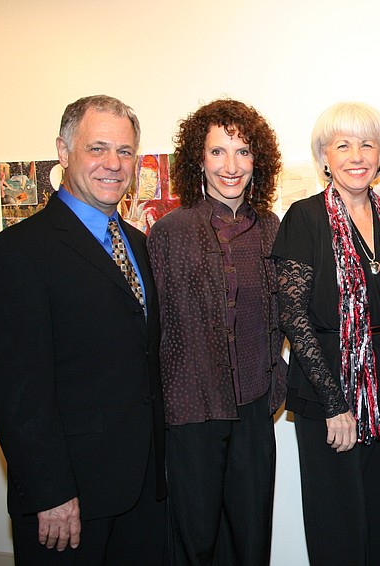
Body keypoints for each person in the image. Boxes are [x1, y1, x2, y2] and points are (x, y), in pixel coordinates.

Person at [0, 95, 166, 564]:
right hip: (69, 502)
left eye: (125, 152)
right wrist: (50, 492)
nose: (113, 164)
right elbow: (14, 389)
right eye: (97, 148)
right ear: (63, 152)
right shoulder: (16, 253)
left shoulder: (141, 245)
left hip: (142, 491)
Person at [272, 102, 380, 566]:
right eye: (343, 145)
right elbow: (292, 314)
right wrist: (336, 405)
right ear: (324, 157)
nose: (357, 155)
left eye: (367, 144)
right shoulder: (305, 217)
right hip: (328, 389)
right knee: (338, 528)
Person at [147, 99, 286, 565]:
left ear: (257, 162)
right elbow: (154, 327)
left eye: (243, 152)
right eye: (217, 152)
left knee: (250, 542)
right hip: (191, 410)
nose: (231, 166)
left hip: (253, 407)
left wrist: (275, 381)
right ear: (198, 160)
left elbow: (285, 314)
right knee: (193, 543)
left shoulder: (271, 229)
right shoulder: (168, 232)